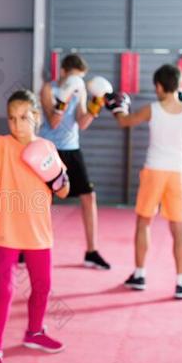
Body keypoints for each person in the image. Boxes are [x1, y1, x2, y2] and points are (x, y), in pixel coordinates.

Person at [0, 90, 69, 363]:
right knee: (5, 290)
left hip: (39, 233)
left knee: (43, 286)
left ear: (35, 117)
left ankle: (34, 331)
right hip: (7, 231)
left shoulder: (46, 146)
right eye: (11, 118)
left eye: (23, 117)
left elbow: (64, 190)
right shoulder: (2, 145)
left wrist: (56, 176)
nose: (17, 124)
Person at [108, 64, 182, 299]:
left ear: (158, 86)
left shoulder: (153, 109)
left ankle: (139, 275)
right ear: (179, 85)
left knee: (143, 223)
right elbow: (181, 102)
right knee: (179, 230)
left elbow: (124, 121)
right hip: (178, 173)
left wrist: (118, 107)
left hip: (154, 170)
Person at [39, 53, 111, 270]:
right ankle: (28, 247)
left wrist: (96, 105)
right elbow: (52, 122)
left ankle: (92, 251)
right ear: (63, 72)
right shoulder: (48, 90)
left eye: (79, 79)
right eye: (73, 78)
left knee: (89, 197)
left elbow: (82, 123)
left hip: (72, 149)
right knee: (40, 200)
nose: (76, 83)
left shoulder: (78, 90)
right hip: (49, 149)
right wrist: (64, 98)